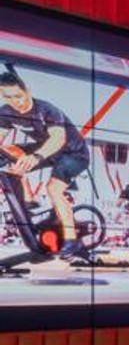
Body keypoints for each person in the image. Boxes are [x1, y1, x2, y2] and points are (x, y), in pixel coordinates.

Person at [0, 67, 91, 259]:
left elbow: (58, 139)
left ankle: (72, 240)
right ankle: (29, 201)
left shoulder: (46, 110)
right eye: (8, 98)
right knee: (9, 152)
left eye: (18, 96)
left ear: (27, 91)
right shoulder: (6, 112)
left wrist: (36, 157)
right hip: (47, 150)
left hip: (73, 153)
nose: (16, 102)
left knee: (53, 188)